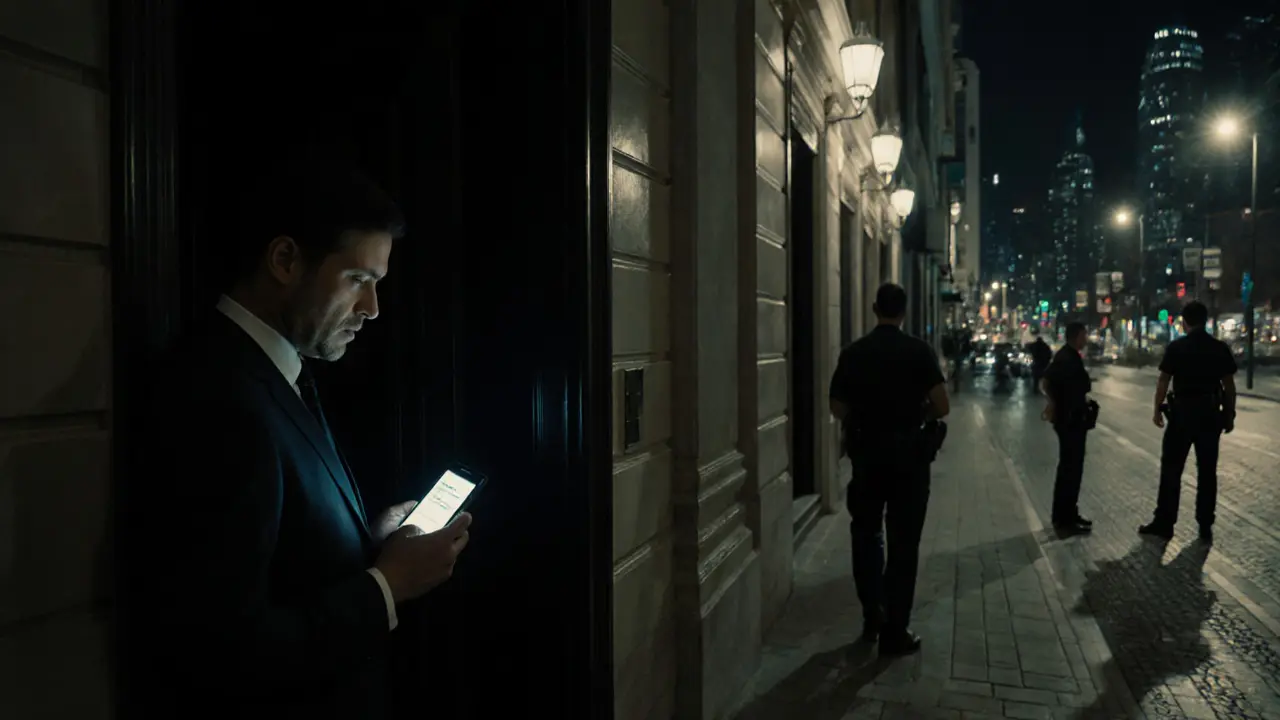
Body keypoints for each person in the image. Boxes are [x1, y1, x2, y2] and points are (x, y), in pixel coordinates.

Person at [124, 161, 471, 718]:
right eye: (359, 280)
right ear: (285, 260)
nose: (372, 309)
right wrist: (387, 584)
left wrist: (370, 543)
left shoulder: (274, 370)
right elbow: (222, 648)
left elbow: (280, 552)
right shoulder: (216, 394)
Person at [829, 283, 950, 656]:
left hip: (868, 458)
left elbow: (836, 404)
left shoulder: (854, 354)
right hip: (910, 461)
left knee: (865, 534)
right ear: (904, 311)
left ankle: (872, 614)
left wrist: (863, 419)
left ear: (873, 308)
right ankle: (895, 631)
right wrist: (916, 415)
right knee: (904, 544)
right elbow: (942, 405)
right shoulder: (919, 352)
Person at [1140, 301, 1236, 543]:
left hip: (1182, 415)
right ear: (1205, 320)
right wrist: (1229, 414)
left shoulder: (1177, 347)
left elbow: (1163, 380)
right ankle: (1205, 522)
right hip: (1209, 415)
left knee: (1171, 470)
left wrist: (1157, 409)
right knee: (1207, 471)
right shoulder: (1219, 348)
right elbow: (1229, 386)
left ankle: (1165, 521)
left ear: (1185, 321)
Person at [1040, 322, 1094, 534]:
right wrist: (1054, 403)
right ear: (1077, 336)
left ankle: (1069, 513)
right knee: (1070, 469)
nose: (1086, 339)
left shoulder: (1068, 356)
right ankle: (1064, 519)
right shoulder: (1066, 358)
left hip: (1071, 419)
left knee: (1072, 468)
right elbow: (1047, 381)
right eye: (1084, 335)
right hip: (1069, 421)